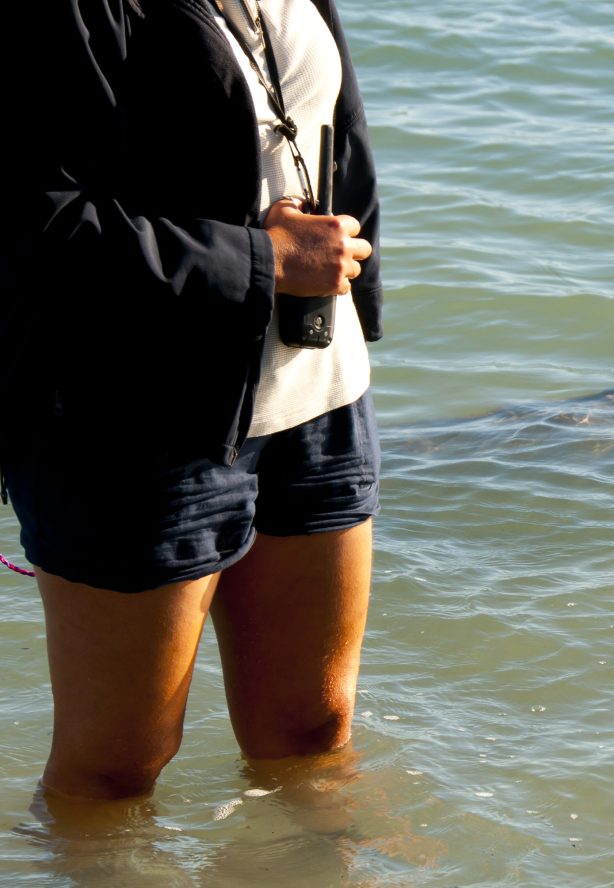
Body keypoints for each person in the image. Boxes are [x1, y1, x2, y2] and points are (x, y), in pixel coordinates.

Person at [0, 0, 384, 801]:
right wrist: (260, 259)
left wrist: (354, 297)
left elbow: (332, 136)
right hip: (134, 421)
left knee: (312, 731)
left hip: (317, 395)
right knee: (116, 768)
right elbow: (38, 226)